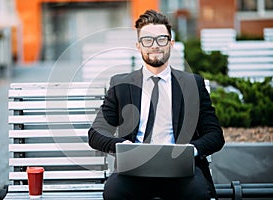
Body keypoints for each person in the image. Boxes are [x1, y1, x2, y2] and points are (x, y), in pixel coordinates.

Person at [88, 9, 225, 200]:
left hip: (181, 172)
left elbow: (215, 135)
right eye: (147, 40)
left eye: (161, 39)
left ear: (171, 43)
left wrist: (189, 151)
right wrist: (123, 146)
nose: (155, 45)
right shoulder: (121, 85)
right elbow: (95, 133)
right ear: (138, 46)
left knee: (199, 193)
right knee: (114, 193)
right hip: (134, 171)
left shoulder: (193, 84)